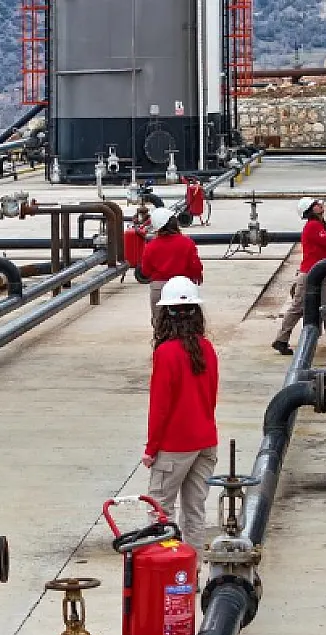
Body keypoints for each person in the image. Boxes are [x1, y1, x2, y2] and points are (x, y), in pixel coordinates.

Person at [142, 276, 219, 553]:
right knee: (194, 511)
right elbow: (211, 396)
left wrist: (151, 449)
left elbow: (160, 407)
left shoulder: (166, 353)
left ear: (165, 314)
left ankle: (167, 568)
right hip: (205, 441)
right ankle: (192, 568)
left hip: (175, 445)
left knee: (160, 511)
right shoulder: (207, 349)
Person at [272, 197, 326, 355]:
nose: (320, 205)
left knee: (304, 307)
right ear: (310, 210)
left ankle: (282, 339)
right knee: (324, 307)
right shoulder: (313, 226)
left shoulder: (318, 225)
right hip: (312, 273)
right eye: (315, 205)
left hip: (318, 271)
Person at [140, 207, 203, 328]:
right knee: (190, 320)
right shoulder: (187, 242)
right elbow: (195, 265)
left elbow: (145, 271)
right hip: (184, 287)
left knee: (159, 322)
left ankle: (162, 338)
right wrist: (197, 276)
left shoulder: (151, 246)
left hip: (159, 287)